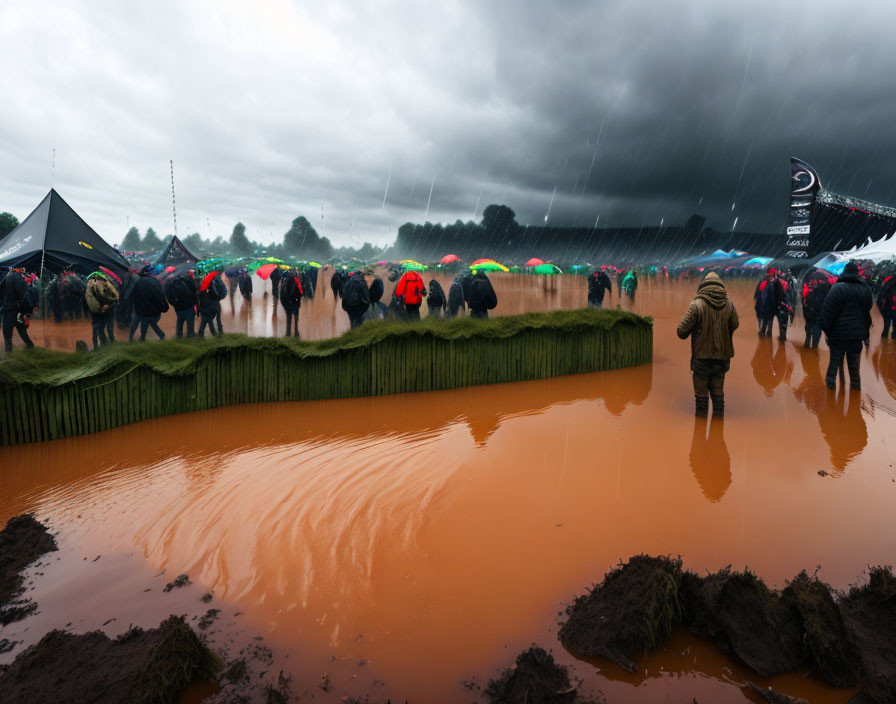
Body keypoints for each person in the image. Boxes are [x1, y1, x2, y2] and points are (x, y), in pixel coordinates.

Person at [676, 271, 739, 417]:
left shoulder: (696, 305)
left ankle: (700, 433)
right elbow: (735, 324)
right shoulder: (729, 305)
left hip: (701, 359)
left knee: (701, 399)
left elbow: (681, 331)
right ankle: (717, 432)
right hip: (722, 358)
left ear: (703, 286)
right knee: (718, 396)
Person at [818, 262, 873, 390]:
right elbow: (867, 315)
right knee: (855, 373)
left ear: (844, 272)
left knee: (833, 369)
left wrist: (827, 333)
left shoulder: (837, 288)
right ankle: (854, 403)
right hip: (856, 338)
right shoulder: (865, 289)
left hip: (837, 338)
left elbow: (827, 313)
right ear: (857, 273)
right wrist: (865, 334)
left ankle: (831, 403)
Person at [129, 265, 168, 341]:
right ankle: (160, 336)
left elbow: (134, 295)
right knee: (149, 323)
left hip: (141, 309)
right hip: (150, 309)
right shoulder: (155, 282)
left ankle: (138, 337)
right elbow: (160, 296)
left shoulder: (139, 281)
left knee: (139, 323)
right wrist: (164, 307)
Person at [1, 267, 36, 352]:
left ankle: (9, 352)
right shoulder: (17, 277)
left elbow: (1, 290)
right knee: (21, 331)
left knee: (7, 332)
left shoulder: (9, 275)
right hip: (15, 309)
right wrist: (27, 310)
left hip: (10, 309)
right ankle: (30, 347)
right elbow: (23, 296)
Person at [85, 271, 120, 349]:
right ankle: (107, 345)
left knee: (100, 329)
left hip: (101, 311)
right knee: (104, 328)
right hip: (102, 311)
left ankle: (103, 346)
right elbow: (113, 296)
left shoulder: (91, 285)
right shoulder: (102, 284)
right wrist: (112, 302)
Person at [802, 272, 833, 348]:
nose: (817, 281)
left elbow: (822, 303)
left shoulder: (826, 289)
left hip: (818, 316)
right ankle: (809, 346)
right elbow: (806, 300)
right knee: (808, 331)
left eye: (819, 280)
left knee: (816, 333)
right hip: (810, 315)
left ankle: (813, 349)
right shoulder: (813, 288)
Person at [165, 270, 199, 338]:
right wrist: (195, 303)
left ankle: (179, 337)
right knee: (190, 324)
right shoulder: (188, 280)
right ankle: (190, 336)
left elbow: (168, 297)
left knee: (180, 323)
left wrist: (175, 305)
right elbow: (195, 292)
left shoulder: (170, 284)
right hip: (189, 306)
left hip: (179, 308)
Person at [754, 268, 783, 337]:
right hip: (768, 305)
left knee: (767, 318)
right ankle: (766, 332)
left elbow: (758, 294)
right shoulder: (775, 282)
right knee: (768, 318)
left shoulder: (774, 282)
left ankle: (766, 332)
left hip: (769, 305)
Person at [198, 272, 228, 337]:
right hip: (211, 305)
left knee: (208, 320)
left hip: (211, 305)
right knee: (209, 320)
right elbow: (223, 293)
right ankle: (215, 334)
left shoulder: (212, 283)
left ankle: (214, 334)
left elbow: (222, 293)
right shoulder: (210, 283)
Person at [279, 268, 303, 336]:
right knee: (295, 318)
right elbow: (300, 292)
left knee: (289, 318)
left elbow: (282, 293)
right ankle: (296, 332)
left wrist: (284, 303)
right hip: (295, 302)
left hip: (287, 303)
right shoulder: (296, 279)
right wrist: (298, 300)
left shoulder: (285, 279)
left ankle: (288, 333)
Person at [876, 273, 896, 340]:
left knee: (886, 326)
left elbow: (882, 294)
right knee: (886, 326)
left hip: (888, 307)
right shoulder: (889, 280)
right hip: (888, 306)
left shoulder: (889, 281)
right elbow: (882, 294)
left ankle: (885, 341)